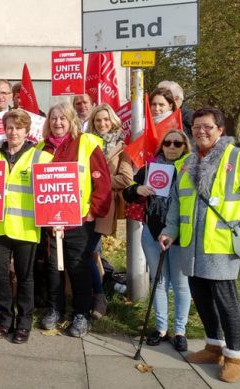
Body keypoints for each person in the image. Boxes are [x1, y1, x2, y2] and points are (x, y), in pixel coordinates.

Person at [159, 108, 240, 383]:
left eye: (208, 127)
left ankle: (235, 355)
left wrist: (238, 225)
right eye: (196, 127)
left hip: (222, 244)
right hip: (191, 245)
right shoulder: (185, 163)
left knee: (225, 300)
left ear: (220, 129)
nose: (201, 131)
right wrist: (169, 230)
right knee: (201, 296)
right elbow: (176, 202)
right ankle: (213, 347)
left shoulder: (238, 158)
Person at [0, 109, 52, 343]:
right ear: (4, 130)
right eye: (9, 127)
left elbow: (54, 191)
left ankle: (24, 323)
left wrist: (57, 221)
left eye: (18, 128)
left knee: (25, 277)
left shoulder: (42, 158)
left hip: (27, 229)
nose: (13, 132)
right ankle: (5, 319)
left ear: (26, 131)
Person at [38, 102, 111, 338]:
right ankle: (55, 308)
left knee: (78, 267)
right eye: (54, 119)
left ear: (72, 121)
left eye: (63, 118)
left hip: (79, 221)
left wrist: (92, 212)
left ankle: (82, 313)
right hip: (50, 222)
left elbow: (102, 182)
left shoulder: (87, 143)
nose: (58, 123)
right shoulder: (41, 149)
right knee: (52, 268)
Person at [123, 129, 192, 351]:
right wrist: (138, 189)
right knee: (159, 281)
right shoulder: (151, 168)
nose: (172, 147)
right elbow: (127, 192)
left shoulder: (191, 169)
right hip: (152, 233)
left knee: (181, 284)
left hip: (180, 236)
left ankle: (180, 330)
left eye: (177, 144)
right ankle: (161, 328)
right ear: (161, 146)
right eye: (167, 143)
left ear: (185, 147)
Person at [86, 104, 133, 318]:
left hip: (104, 204)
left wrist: (97, 181)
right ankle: (93, 291)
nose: (102, 124)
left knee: (93, 250)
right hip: (83, 203)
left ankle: (99, 297)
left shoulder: (122, 147)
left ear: (113, 121)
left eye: (106, 119)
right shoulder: (85, 143)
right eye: (98, 120)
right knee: (89, 251)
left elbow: (125, 178)